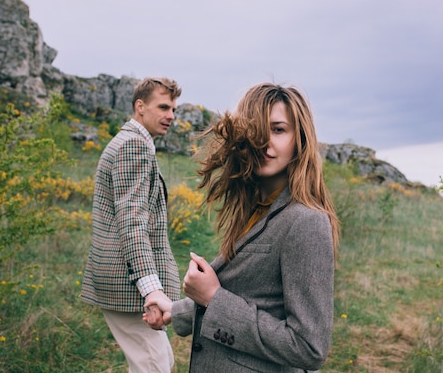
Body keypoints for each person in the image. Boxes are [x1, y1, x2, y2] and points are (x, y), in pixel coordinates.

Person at [145, 83, 340, 372]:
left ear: (299, 139)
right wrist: (176, 310)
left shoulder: (305, 221)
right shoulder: (256, 209)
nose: (264, 142)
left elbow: (309, 347)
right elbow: (250, 296)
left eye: (278, 130)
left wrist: (213, 298)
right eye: (256, 130)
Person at [81, 77, 182, 373]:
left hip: (127, 280)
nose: (171, 116)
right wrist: (150, 288)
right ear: (140, 107)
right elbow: (132, 220)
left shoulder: (132, 142)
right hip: (129, 284)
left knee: (159, 361)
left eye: (173, 108)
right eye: (163, 107)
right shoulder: (133, 145)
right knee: (155, 366)